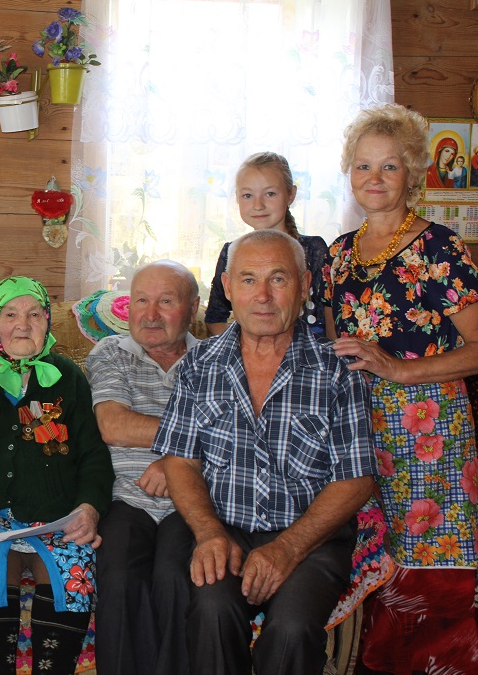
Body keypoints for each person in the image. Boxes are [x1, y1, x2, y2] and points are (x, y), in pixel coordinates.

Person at [325, 104, 478, 674]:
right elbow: (337, 347)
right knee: (371, 565)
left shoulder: (439, 249)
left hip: (432, 436)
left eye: (389, 166)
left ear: (415, 173)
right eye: (361, 166)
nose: (373, 178)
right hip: (359, 431)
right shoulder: (337, 254)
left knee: (430, 576)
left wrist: (398, 369)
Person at [156, 229, 377, 674]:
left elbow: (357, 479)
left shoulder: (338, 371)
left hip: (310, 536)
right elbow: (180, 460)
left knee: (293, 627)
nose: (263, 295)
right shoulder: (199, 366)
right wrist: (208, 533)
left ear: (305, 284)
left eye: (278, 279)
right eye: (248, 279)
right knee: (212, 612)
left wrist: (288, 548)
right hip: (225, 528)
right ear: (227, 287)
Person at [0, 276, 115, 675]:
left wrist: (89, 508)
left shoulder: (66, 376)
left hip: (58, 514)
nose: (22, 324)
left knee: (73, 578)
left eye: (34, 314)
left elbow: (94, 454)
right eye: (10, 314)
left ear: (47, 322)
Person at [85, 261, 200, 675]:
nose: (150, 314)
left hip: (193, 499)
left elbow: (236, 433)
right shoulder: (111, 352)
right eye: (141, 301)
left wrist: (176, 465)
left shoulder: (212, 361)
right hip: (126, 498)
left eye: (166, 302)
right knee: (117, 579)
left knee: (176, 576)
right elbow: (113, 425)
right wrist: (183, 444)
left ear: (192, 309)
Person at [205, 152, 328, 337]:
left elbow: (328, 314)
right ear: (237, 199)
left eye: (270, 193)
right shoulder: (231, 252)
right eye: (247, 195)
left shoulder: (314, 249)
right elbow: (215, 318)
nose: (258, 205)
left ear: (290, 195)